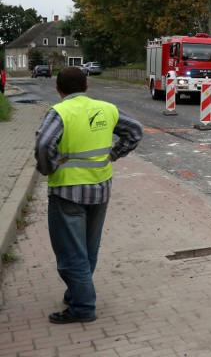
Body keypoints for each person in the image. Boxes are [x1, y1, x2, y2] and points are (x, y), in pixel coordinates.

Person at [34, 66, 143, 324]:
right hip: (100, 189)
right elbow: (136, 130)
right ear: (87, 86)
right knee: (87, 250)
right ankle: (76, 293)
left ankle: (82, 307)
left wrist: (47, 167)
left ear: (58, 89)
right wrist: (115, 154)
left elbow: (43, 143)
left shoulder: (60, 111)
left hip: (67, 193)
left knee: (70, 253)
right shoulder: (107, 109)